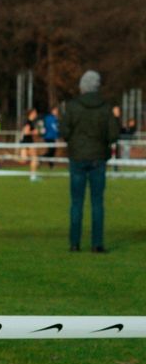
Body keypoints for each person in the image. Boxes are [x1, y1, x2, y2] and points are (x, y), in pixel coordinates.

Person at [59, 70, 119, 253]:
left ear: (82, 86)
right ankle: (96, 244)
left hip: (77, 157)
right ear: (97, 86)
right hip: (98, 158)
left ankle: (74, 243)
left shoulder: (72, 106)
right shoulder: (105, 107)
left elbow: (65, 131)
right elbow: (113, 134)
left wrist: (74, 142)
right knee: (97, 202)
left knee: (76, 202)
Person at [19, 107, 40, 180]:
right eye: (35, 112)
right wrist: (34, 132)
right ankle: (33, 177)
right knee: (34, 159)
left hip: (26, 142)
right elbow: (26, 132)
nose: (36, 114)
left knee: (24, 160)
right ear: (32, 114)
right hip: (28, 143)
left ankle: (33, 176)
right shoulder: (28, 122)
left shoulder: (29, 122)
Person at [42, 104, 61, 169]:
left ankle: (51, 165)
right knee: (51, 151)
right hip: (49, 137)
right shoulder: (51, 118)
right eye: (56, 110)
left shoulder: (52, 118)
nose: (57, 112)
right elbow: (55, 128)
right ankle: (40, 158)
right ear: (52, 111)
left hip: (49, 137)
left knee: (52, 151)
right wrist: (57, 136)